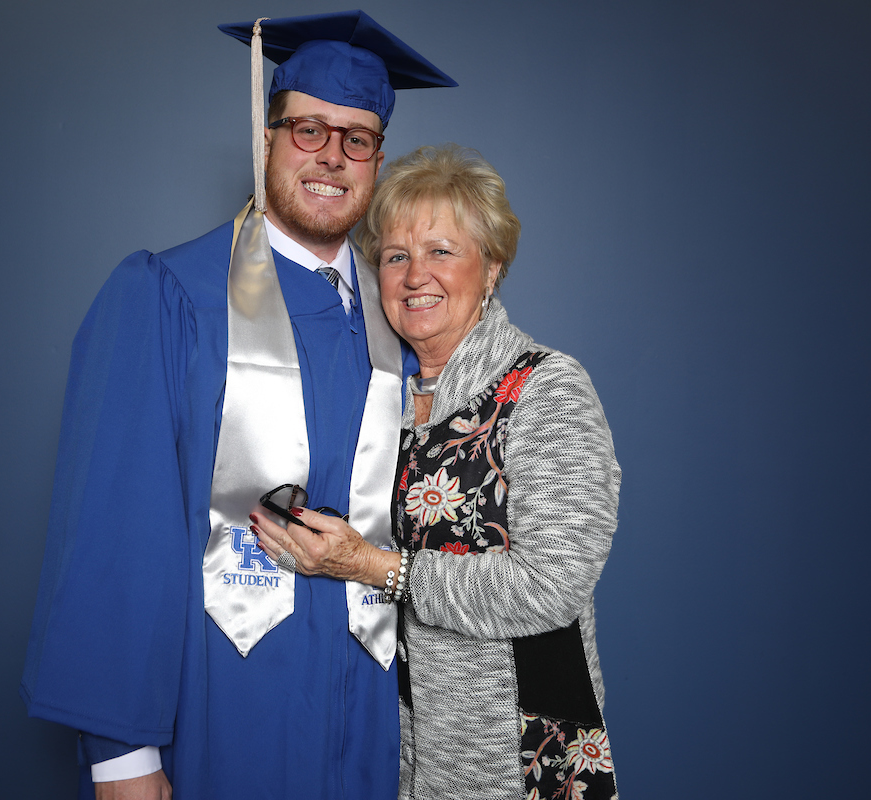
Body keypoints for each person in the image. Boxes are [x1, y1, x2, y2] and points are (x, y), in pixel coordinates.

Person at [20, 12, 456, 800]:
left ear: (378, 161)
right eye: (308, 130)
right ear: (266, 137)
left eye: (355, 138)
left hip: (375, 724)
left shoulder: (404, 317)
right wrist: (123, 756)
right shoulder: (168, 295)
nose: (331, 155)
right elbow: (117, 529)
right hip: (223, 704)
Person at [252, 144, 621, 800]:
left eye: (441, 251)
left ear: (492, 267)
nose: (415, 275)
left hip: (514, 756)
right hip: (389, 748)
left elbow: (550, 586)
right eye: (396, 256)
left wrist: (374, 567)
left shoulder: (543, 389)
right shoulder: (375, 397)